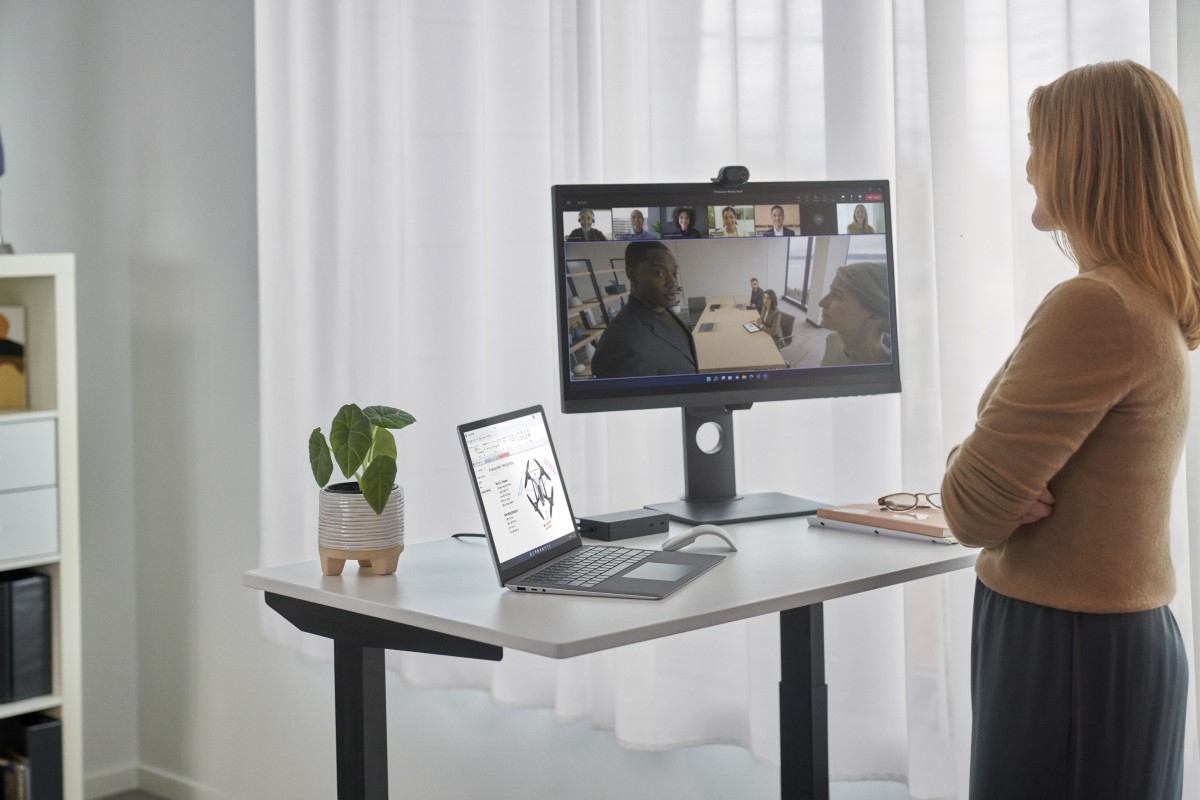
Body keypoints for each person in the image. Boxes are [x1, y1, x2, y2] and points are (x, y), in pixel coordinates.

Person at [941, 61, 1200, 800]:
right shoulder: (1139, 299)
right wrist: (993, 478)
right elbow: (988, 493)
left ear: (1082, 157)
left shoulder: (1096, 306)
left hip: (1066, 650)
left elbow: (969, 508)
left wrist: (977, 469)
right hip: (1093, 643)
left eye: (1037, 144)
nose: (1027, 166)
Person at [591, 241, 698, 378]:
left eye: (674, 273)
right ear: (632, 274)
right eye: (659, 274)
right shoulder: (621, 346)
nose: (673, 283)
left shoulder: (662, 309)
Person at [817, 262, 890, 365]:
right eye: (830, 292)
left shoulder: (887, 375)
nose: (822, 303)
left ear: (873, 314)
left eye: (837, 296)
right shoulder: (832, 341)